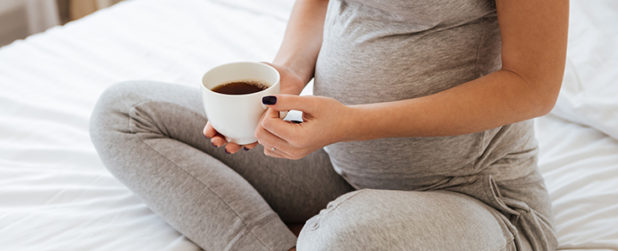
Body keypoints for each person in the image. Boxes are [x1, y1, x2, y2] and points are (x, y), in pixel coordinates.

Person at [90, 0, 568, 249]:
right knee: (125, 112)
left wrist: (351, 123)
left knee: (344, 241)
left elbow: (532, 86)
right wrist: (281, 86)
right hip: (340, 170)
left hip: (471, 197)